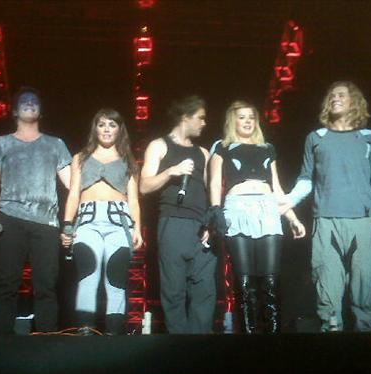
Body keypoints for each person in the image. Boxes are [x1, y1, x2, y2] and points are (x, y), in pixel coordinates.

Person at [282, 81, 371, 332]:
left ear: (354, 101)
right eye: (331, 95)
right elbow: (306, 178)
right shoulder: (316, 138)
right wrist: (289, 200)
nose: (335, 98)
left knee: (365, 283)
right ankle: (330, 337)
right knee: (327, 284)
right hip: (325, 222)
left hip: (362, 221)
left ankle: (368, 337)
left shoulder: (370, 138)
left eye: (341, 95)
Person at [0, 87, 72, 334]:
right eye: (24, 101)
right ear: (14, 111)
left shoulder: (55, 144)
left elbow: (72, 184)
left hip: (46, 222)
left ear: (41, 111)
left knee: (46, 285)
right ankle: (1, 341)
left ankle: (47, 340)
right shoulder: (1, 143)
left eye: (35, 101)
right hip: (11, 218)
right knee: (6, 283)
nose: (30, 103)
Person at [208, 101, 305, 334]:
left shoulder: (267, 148)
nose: (247, 121)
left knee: (270, 279)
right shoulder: (223, 147)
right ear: (233, 120)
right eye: (242, 117)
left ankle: (272, 336)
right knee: (244, 280)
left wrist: (293, 218)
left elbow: (277, 187)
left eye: (251, 117)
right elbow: (214, 182)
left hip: (267, 209)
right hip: (237, 208)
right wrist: (215, 211)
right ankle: (248, 335)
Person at [61, 108, 142, 335]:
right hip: (88, 220)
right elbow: (73, 194)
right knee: (88, 273)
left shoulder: (128, 161)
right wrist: (67, 225)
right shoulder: (80, 158)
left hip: (119, 221)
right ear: (95, 129)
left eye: (112, 125)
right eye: (102, 124)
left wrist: (137, 228)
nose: (107, 129)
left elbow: (134, 199)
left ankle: (114, 333)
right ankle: (86, 329)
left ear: (119, 130)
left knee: (116, 277)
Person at [140, 95, 216, 334]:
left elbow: (211, 190)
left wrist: (211, 223)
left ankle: (199, 344)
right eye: (200, 118)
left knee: (204, 289)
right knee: (173, 289)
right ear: (185, 117)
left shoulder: (203, 153)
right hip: (172, 223)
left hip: (201, 226)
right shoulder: (159, 145)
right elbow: (144, 186)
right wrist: (171, 171)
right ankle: (179, 344)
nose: (204, 123)